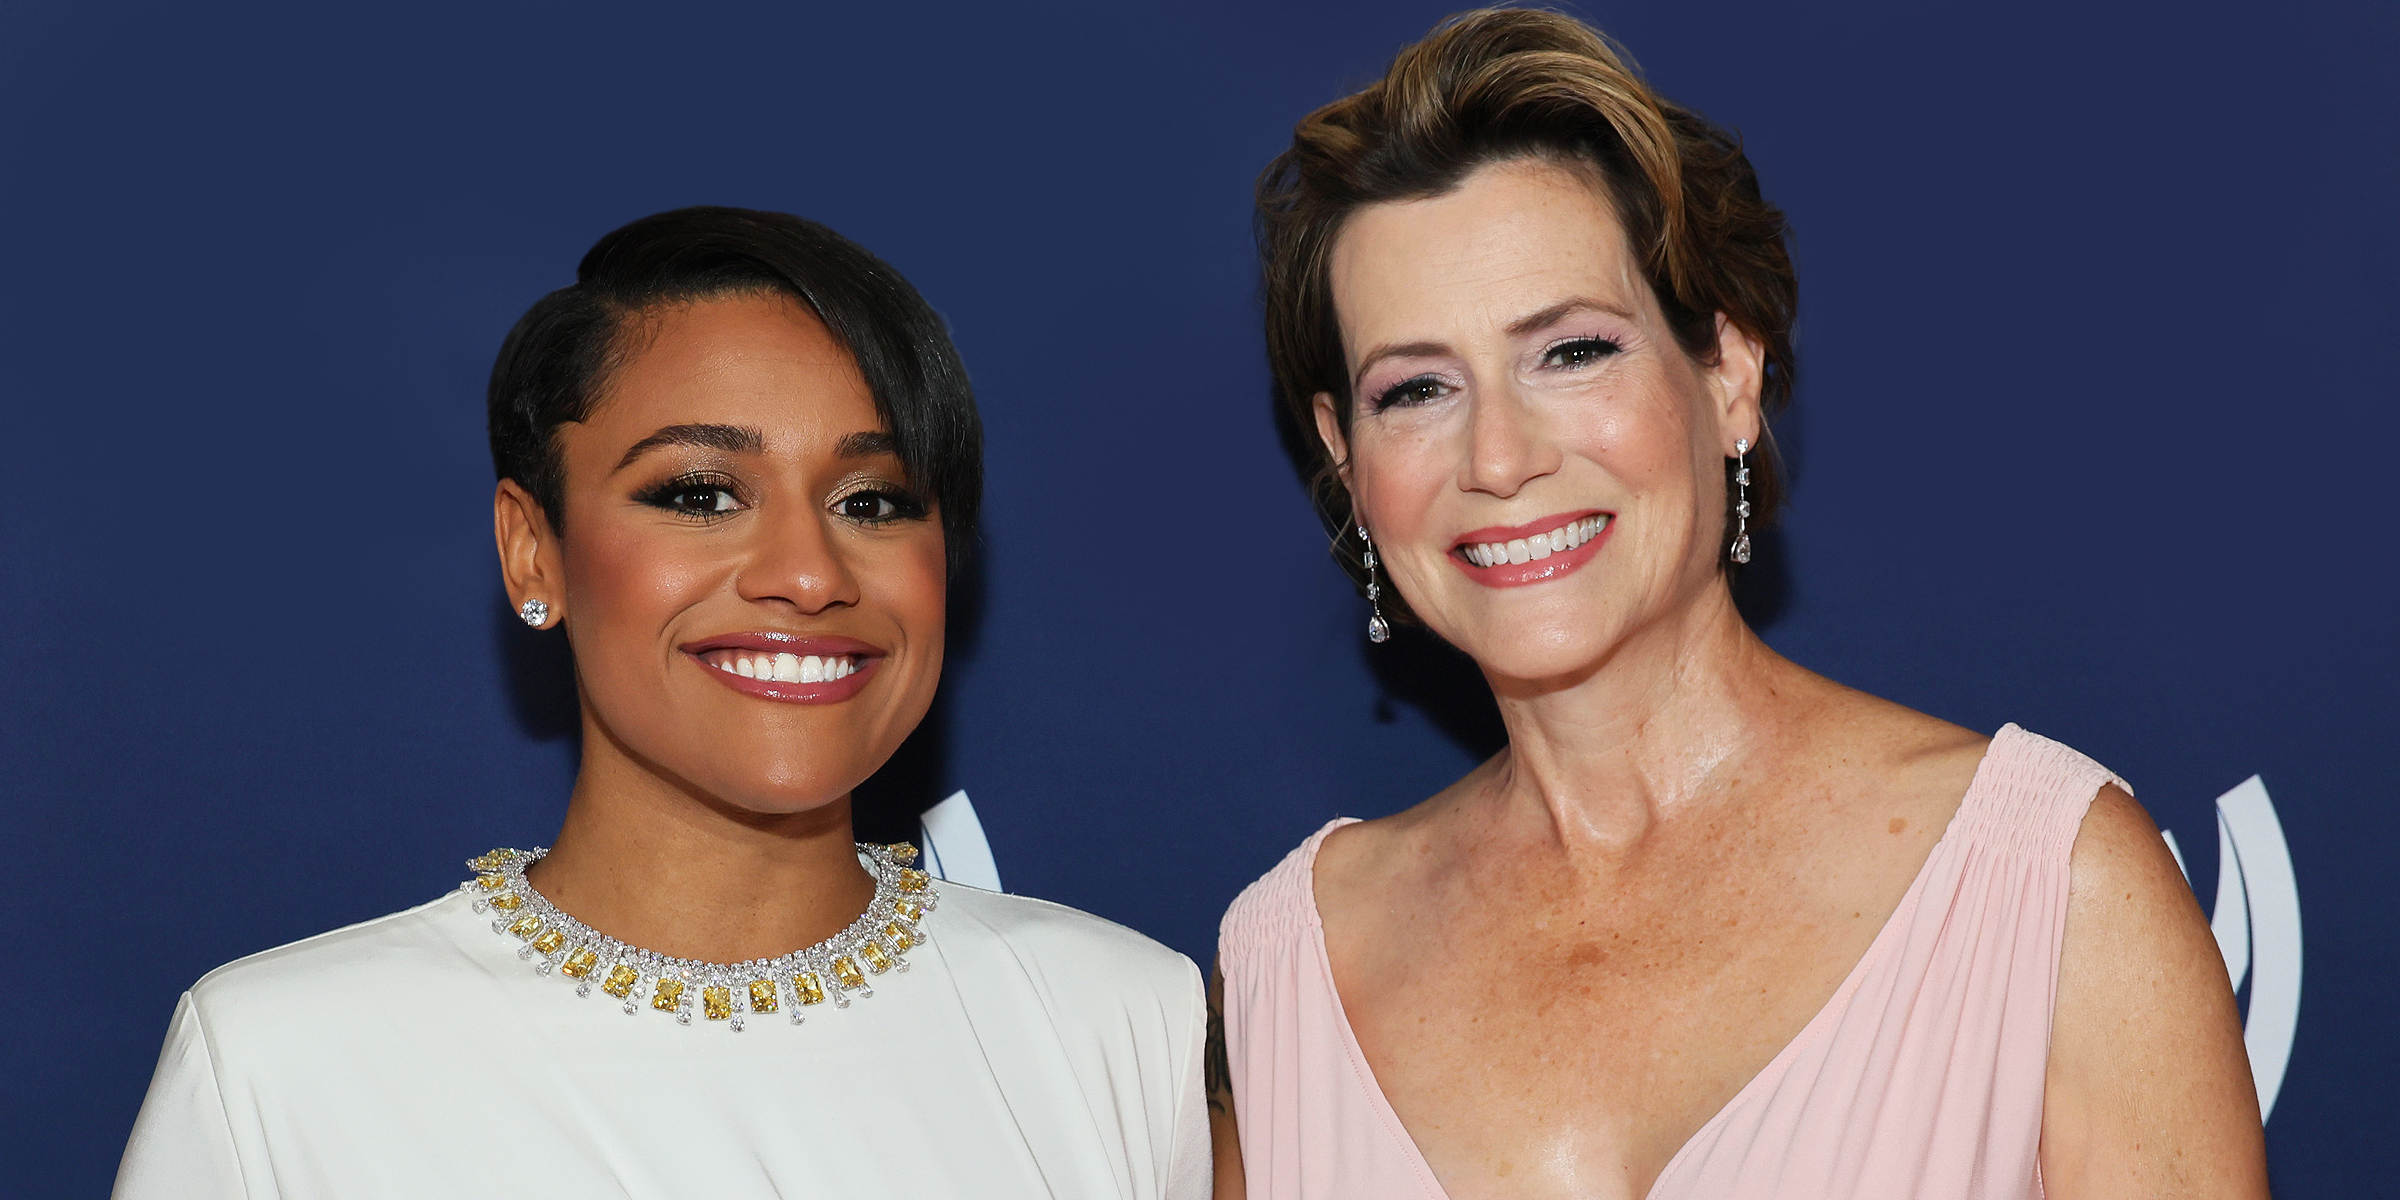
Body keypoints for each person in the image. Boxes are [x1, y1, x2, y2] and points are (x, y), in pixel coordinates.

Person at [1209, 11, 2265, 1200]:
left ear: (1729, 376)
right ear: (1345, 460)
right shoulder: (1288, 967)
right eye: (1415, 388)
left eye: (1572, 353)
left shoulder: (2051, 888)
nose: (1497, 457)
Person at [115, 207, 1209, 1199]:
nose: (809, 573)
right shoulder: (278, 1068)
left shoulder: (1125, 1023)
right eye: (699, 494)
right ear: (533, 549)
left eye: (872, 499)